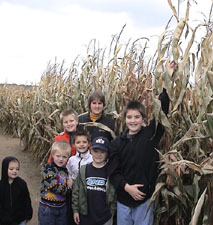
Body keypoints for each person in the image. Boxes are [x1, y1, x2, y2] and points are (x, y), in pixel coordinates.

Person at [108, 88, 169, 225]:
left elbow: (162, 112)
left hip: (145, 201)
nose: (133, 121)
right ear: (124, 119)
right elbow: (113, 172)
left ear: (143, 118)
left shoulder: (150, 135)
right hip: (124, 199)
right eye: (129, 117)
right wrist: (127, 187)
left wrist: (166, 81)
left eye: (137, 117)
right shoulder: (117, 143)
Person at [72, 136, 116, 225]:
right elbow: (76, 191)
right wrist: (76, 210)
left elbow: (114, 193)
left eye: (102, 152)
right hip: (86, 216)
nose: (98, 155)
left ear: (107, 153)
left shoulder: (110, 171)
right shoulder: (84, 170)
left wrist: (112, 211)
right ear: (91, 151)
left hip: (105, 217)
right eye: (96, 151)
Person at [0, 156, 33, 225]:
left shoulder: (22, 184)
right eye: (11, 169)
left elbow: (27, 200)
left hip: (21, 219)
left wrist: (28, 214)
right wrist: (1, 216)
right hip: (5, 221)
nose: (15, 171)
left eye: (17, 169)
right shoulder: (0, 186)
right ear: (5, 169)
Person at [39, 140, 70, 225]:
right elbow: (53, 186)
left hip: (61, 207)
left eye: (64, 157)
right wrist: (68, 188)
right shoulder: (48, 168)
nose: (61, 159)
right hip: (47, 208)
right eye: (58, 156)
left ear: (68, 157)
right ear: (52, 155)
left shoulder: (66, 171)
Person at [66, 129, 93, 225]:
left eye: (84, 142)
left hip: (87, 193)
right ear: (73, 144)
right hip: (74, 193)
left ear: (89, 143)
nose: (81, 144)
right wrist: (69, 179)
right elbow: (68, 172)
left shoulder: (92, 159)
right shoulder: (72, 160)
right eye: (78, 142)